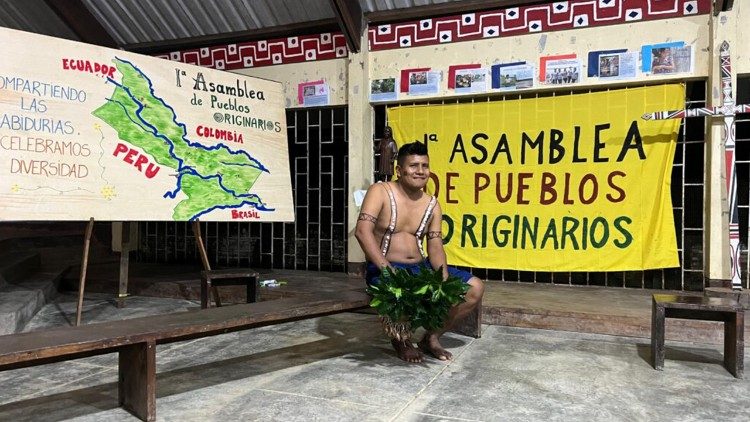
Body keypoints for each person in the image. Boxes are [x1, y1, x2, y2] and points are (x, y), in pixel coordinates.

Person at [355, 141, 485, 363]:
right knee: (401, 291)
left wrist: (442, 276)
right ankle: (402, 340)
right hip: (386, 269)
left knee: (475, 288)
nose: (420, 171)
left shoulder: (432, 204)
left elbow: (435, 245)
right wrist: (386, 269)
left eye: (424, 165)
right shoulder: (381, 191)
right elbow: (362, 231)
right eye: (414, 165)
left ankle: (431, 338)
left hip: (421, 268)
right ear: (399, 170)